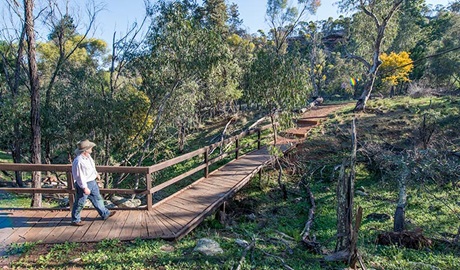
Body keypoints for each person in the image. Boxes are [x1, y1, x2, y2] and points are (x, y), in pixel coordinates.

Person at [71, 139, 115, 226]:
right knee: (80, 202)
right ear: (85, 150)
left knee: (97, 198)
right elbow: (79, 176)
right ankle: (75, 219)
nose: (92, 148)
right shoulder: (78, 161)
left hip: (92, 182)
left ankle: (105, 213)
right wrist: (84, 187)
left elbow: (92, 167)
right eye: (90, 147)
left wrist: (96, 174)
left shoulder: (88, 157)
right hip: (84, 184)